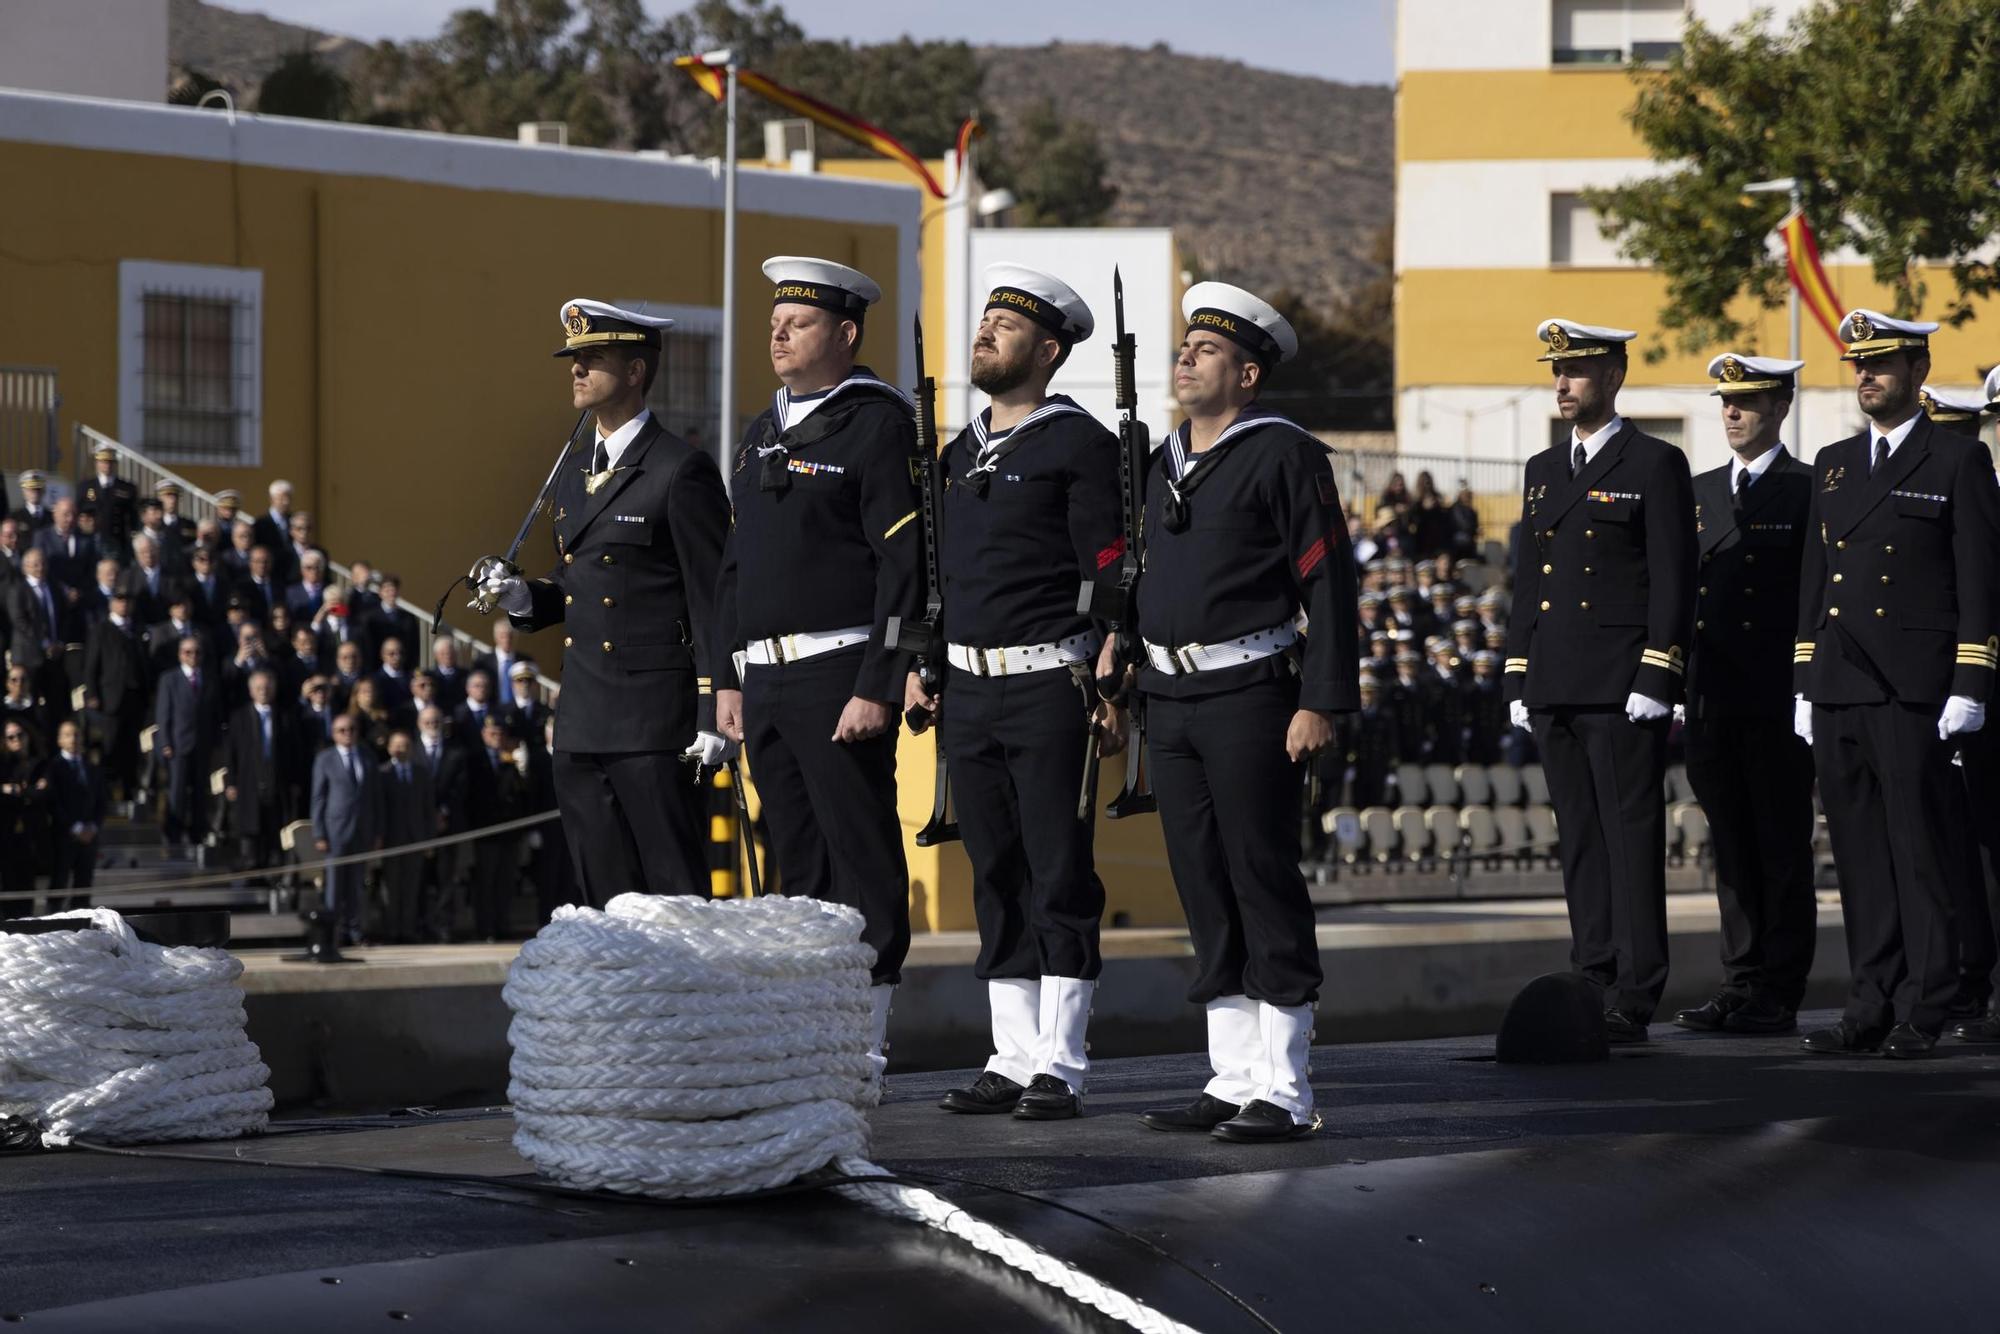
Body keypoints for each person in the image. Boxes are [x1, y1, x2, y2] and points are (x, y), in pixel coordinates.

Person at [1128, 282, 1358, 1143]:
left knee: (1261, 875)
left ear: (1248, 373)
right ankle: (1230, 1077)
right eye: (1185, 345)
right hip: (1170, 695)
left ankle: (1287, 1087)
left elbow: (1328, 581)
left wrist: (1321, 699)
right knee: (1202, 883)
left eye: (1208, 350)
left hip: (1251, 693)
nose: (1187, 357)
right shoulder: (1159, 460)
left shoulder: (1283, 455)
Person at [912, 265, 1123, 1121]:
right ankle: (1010, 1051)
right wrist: (926, 665)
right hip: (968, 686)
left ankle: (1061, 1061)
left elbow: (1109, 567)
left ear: (1049, 348)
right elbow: (939, 577)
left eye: (1008, 324)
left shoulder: (1080, 445)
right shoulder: (959, 454)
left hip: (1048, 682)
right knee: (994, 871)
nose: (986, 332)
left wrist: (1117, 660)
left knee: (1056, 869)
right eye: (987, 319)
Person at [713, 257, 922, 1071]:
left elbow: (904, 568)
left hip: (838, 673)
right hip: (763, 677)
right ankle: (803, 1036)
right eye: (773, 321)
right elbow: (737, 564)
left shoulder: (876, 424)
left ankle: (863, 1042)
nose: (776, 333)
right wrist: (728, 677)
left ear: (844, 333)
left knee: (859, 854)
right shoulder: (762, 430)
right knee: (793, 861)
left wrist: (878, 682)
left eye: (795, 323)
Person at [471, 297, 730, 908]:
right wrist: (521, 596)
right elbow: (576, 583)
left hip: (651, 722)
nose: (576, 370)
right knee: (603, 905)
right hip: (583, 719)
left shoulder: (678, 469)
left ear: (635, 372)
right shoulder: (571, 472)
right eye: (573, 359)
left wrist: (714, 708)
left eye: (592, 358)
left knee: (673, 900)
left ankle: (684, 1006)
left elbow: (713, 594)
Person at [1794, 311, 2000, 1057]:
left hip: (1913, 684)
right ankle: (1869, 1000)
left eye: (1881, 363)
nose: (1866, 377)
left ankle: (1927, 1003)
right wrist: (1802, 683)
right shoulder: (1835, 461)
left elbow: (1978, 580)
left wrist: (1970, 679)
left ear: (1917, 372)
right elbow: (1817, 582)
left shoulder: (1955, 461)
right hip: (1841, 679)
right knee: (1858, 853)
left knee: (1920, 849)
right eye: (1858, 365)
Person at [1502, 318, 1695, 1044]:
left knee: (1628, 835)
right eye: (1557, 371)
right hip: (1553, 679)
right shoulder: (1543, 471)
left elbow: (1674, 578)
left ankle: (1638, 987)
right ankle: (1593, 971)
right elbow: (1530, 584)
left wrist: (1658, 668)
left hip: (1621, 683)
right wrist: (1518, 674)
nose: (1562, 384)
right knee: (1578, 837)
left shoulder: (1653, 463)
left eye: (1576, 371)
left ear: (1612, 379)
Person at [1671, 354, 1817, 1036]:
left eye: (1748, 401)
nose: (1732, 412)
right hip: (1711, 696)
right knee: (1729, 846)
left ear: (1780, 408)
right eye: (1725, 401)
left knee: (1780, 844)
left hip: (1775, 696)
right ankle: (1741, 977)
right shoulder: (1697, 492)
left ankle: (1780, 987)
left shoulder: (1809, 489)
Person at [311, 713, 385, 943]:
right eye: (342, 730)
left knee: (357, 885)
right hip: (336, 831)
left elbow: (376, 797)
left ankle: (355, 930)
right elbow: (319, 797)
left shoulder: (367, 756)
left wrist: (378, 831)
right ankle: (333, 933)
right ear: (334, 734)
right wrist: (319, 832)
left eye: (352, 729)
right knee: (334, 885)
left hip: (363, 830)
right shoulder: (326, 758)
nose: (348, 734)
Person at [223, 667, 303, 873]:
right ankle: (251, 867)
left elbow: (294, 752)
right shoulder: (239, 717)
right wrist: (231, 782)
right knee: (250, 827)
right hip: (249, 781)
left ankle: (273, 868)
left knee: (274, 827)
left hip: (277, 781)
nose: (263, 691)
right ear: (251, 691)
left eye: (267, 687)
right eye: (259, 688)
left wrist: (295, 780)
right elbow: (230, 752)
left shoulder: (285, 717)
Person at [155, 634, 223, 857]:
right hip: (178, 744)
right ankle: (173, 836)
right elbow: (164, 714)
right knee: (177, 792)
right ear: (179, 654)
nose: (193, 656)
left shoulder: (210, 679)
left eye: (196, 652)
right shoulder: (169, 679)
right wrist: (165, 742)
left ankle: (197, 834)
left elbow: (214, 715)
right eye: (187, 652)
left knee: (200, 793)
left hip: (202, 745)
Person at [465, 713, 530, 940]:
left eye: (501, 734)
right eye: (492, 734)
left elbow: (522, 793)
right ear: (484, 735)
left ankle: (502, 925)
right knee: (486, 882)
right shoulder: (474, 759)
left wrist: (521, 768)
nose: (497, 738)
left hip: (509, 832)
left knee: (505, 882)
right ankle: (486, 928)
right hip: (486, 831)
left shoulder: (510, 761)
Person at [81, 587, 149, 803]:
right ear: (112, 603)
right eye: (119, 600)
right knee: (110, 746)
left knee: (131, 747)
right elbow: (91, 665)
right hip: (110, 698)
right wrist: (92, 693)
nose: (124, 604)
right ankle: (106, 794)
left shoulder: (137, 630)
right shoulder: (101, 629)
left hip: (134, 698)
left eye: (127, 600)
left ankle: (129, 791)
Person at [378, 728, 436, 944]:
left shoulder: (421, 773)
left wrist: (429, 839)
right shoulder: (383, 773)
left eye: (406, 745)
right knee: (392, 889)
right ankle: (392, 931)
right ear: (390, 748)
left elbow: (429, 809)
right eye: (397, 745)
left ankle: (408, 930)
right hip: (392, 839)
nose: (401, 749)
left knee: (412, 888)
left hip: (416, 839)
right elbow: (378, 808)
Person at [44, 719, 106, 911]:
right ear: (59, 740)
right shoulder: (53, 767)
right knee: (59, 882)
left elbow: (101, 801)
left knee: (84, 885)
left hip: (89, 836)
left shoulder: (91, 768)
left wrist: (93, 827)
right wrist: (75, 827)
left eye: (76, 735)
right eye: (68, 735)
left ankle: (82, 927)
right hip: (65, 835)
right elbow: (54, 802)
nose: (73, 739)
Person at [0, 721, 44, 914]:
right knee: (7, 883)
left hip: (31, 834)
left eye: (20, 735)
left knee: (27, 884)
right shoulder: (3, 765)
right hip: (5, 834)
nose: (16, 740)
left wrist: (15, 790)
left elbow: (44, 793)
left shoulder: (40, 763)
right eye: (11, 737)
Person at [77, 445, 137, 567]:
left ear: (115, 464)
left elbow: (133, 518)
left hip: (117, 542)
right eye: (103, 461)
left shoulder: (126, 488)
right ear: (97, 463)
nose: (107, 465)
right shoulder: (86, 487)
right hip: (91, 541)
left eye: (110, 462)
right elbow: (79, 513)